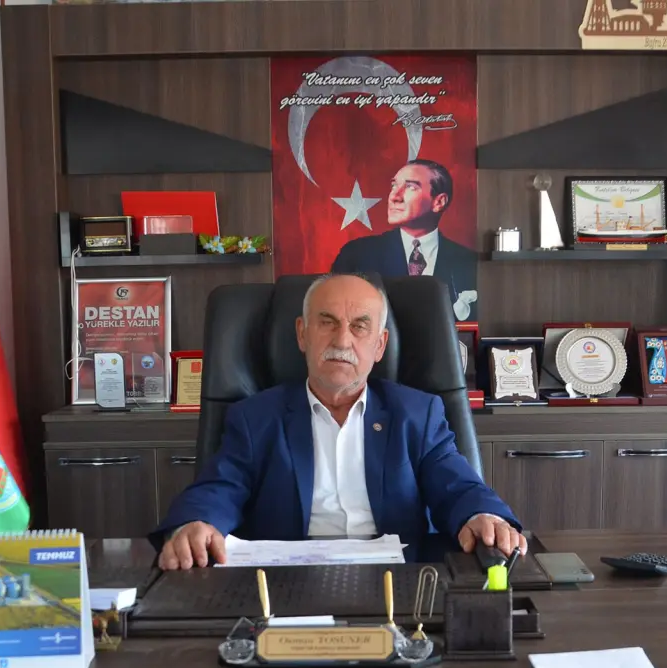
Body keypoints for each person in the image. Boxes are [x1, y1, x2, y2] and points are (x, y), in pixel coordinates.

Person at [152, 271, 524, 569]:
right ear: (302, 334)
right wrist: (196, 523)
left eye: (360, 326)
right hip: (285, 579)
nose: (342, 341)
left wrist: (482, 515)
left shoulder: (416, 414)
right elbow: (220, 488)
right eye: (327, 322)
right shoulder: (255, 418)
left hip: (397, 577)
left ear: (380, 345)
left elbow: (456, 485)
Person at [330, 159, 478, 319]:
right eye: (394, 186)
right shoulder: (356, 255)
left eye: (410, 187)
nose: (394, 197)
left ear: (439, 202)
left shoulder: (469, 263)